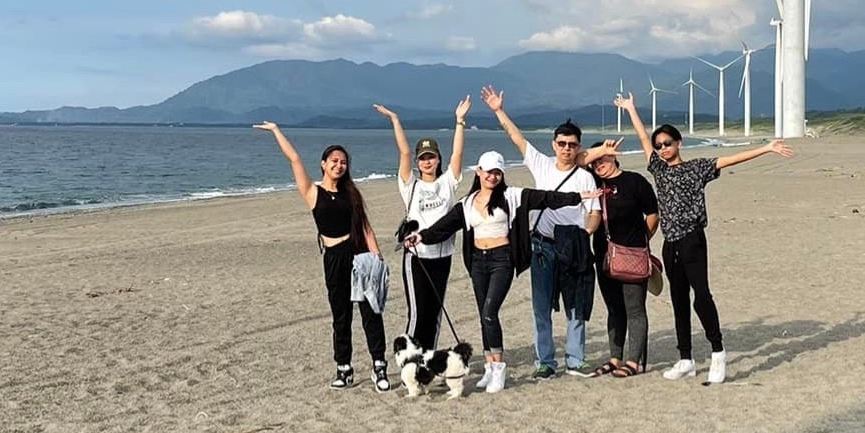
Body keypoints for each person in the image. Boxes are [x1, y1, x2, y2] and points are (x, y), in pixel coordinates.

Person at [613, 92, 795, 385]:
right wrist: (631, 108)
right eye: (659, 145)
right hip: (670, 243)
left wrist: (766, 148)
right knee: (678, 299)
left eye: (667, 143)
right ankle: (685, 359)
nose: (662, 149)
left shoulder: (697, 168)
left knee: (702, 296)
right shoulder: (658, 169)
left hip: (693, 240)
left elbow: (732, 158)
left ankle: (718, 351)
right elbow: (643, 137)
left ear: (679, 143)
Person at [405, 150, 605, 394]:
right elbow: (444, 227)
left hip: (502, 261)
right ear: (479, 172)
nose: (493, 176)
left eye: (498, 172)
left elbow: (546, 198)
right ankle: (489, 368)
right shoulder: (467, 203)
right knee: (483, 314)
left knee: (490, 312)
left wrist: (578, 196)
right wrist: (421, 237)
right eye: (489, 172)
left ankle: (499, 369)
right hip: (478, 262)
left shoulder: (512, 196)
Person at [256, 122, 391, 391]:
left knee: (370, 312)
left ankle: (379, 366)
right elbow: (294, 159)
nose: (339, 165)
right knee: (341, 315)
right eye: (334, 161)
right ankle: (344, 369)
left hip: (359, 255)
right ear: (323, 164)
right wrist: (276, 131)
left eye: (343, 162)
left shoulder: (351, 194)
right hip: (333, 256)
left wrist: (377, 257)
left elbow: (365, 227)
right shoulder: (312, 192)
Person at [479, 85, 599, 378]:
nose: (566, 148)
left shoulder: (586, 177)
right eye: (562, 143)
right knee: (541, 307)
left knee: (576, 305)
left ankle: (575, 359)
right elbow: (517, 138)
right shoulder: (541, 164)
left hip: (574, 246)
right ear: (554, 144)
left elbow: (594, 212)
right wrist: (498, 110)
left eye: (572, 144)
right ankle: (545, 362)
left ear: (579, 147)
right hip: (542, 246)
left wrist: (585, 234)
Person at [376, 97, 471, 351]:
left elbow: (458, 154)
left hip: (443, 256)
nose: (427, 162)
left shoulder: (448, 182)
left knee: (435, 312)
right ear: (418, 163)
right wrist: (395, 120)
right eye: (423, 158)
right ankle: (409, 359)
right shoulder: (410, 185)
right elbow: (404, 152)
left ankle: (427, 358)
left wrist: (460, 121)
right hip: (417, 257)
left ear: (438, 159)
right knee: (418, 314)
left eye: (432, 157)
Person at [582, 138, 658, 378]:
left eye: (603, 159)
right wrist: (598, 151)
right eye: (595, 162)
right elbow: (575, 160)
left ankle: (634, 361)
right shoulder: (593, 182)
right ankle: (615, 358)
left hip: (633, 254)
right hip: (604, 256)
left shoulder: (635, 181)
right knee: (614, 309)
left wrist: (641, 239)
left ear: (614, 156)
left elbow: (653, 214)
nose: (599, 164)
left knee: (634, 309)